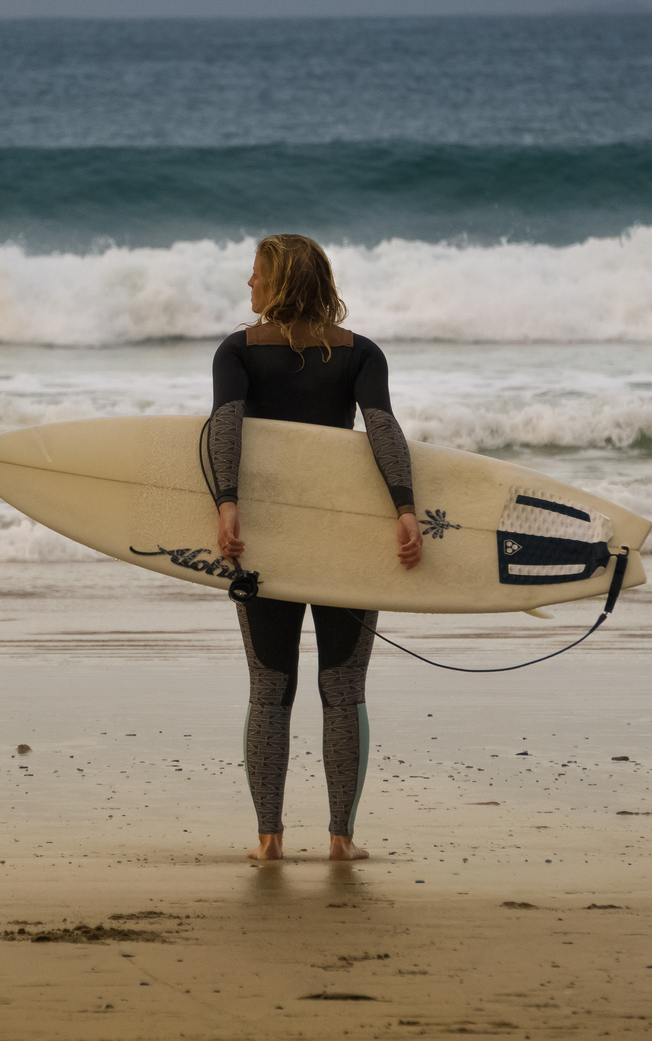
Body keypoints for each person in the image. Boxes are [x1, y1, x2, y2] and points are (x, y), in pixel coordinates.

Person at [208, 234, 422, 863]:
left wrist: (226, 503)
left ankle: (269, 840)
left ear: (281, 282)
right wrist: (404, 508)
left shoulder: (236, 351)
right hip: (344, 537)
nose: (249, 285)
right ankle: (341, 840)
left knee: (269, 686)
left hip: (263, 538)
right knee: (344, 686)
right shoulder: (360, 354)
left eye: (257, 275)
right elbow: (382, 430)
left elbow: (224, 429)